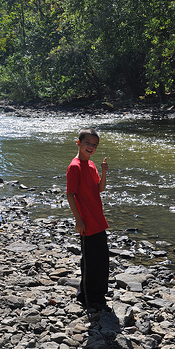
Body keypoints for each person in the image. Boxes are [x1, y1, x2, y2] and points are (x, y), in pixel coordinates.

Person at [66, 127, 110, 311]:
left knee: (102, 258)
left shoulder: (91, 165)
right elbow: (70, 195)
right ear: (79, 143)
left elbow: (99, 189)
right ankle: (87, 297)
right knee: (90, 260)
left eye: (94, 144)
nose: (91, 147)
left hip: (98, 219)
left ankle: (98, 295)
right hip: (87, 222)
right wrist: (79, 220)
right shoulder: (74, 166)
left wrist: (104, 171)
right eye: (87, 143)